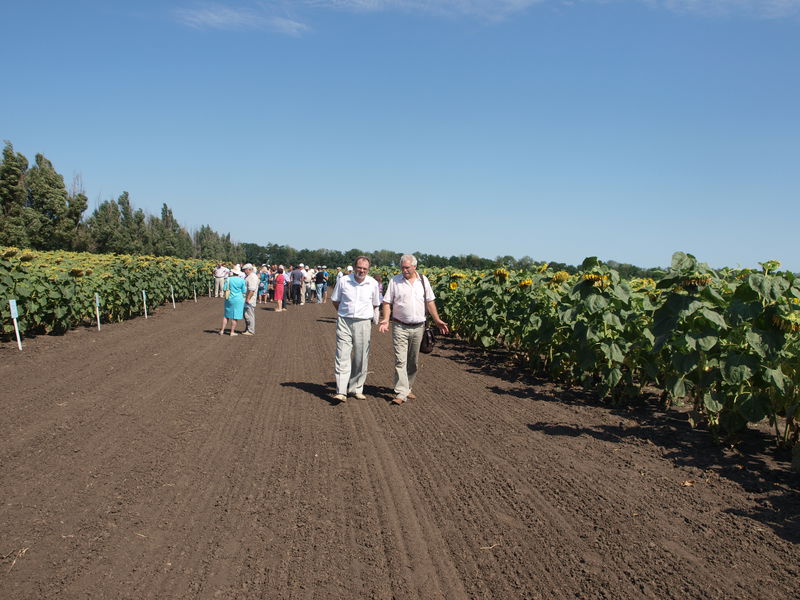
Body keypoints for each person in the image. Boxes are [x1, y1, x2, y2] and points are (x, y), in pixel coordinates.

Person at [379, 254, 448, 405]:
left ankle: (408, 387)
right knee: (400, 360)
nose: (404, 270)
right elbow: (386, 302)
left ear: (415, 267)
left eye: (407, 267)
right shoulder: (395, 281)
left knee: (413, 361)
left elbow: (430, 301)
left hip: (419, 327)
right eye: (402, 267)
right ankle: (401, 392)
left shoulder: (423, 281)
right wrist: (385, 319)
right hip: (400, 326)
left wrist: (437, 320)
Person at [331, 256, 381, 402]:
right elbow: (335, 300)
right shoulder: (343, 281)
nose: (362, 271)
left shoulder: (372, 283)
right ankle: (341, 391)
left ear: (368, 270)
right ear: (354, 267)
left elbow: (375, 303)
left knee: (361, 357)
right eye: (359, 268)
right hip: (344, 321)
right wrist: (344, 313)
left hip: (363, 322)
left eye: (365, 269)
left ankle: (356, 388)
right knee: (342, 355)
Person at [220, 266, 246, 336]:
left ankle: (222, 330)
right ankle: (232, 332)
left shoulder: (228, 279)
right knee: (235, 316)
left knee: (226, 315)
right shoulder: (242, 280)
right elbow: (244, 291)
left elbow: (224, 288)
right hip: (238, 299)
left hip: (229, 298)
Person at [242, 264, 259, 336]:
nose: (244, 271)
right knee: (246, 314)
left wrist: (248, 298)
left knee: (249, 314)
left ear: (249, 269)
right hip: (247, 298)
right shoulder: (250, 276)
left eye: (245, 270)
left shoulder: (252, 277)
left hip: (250, 299)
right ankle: (248, 329)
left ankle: (251, 330)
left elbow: (252, 290)